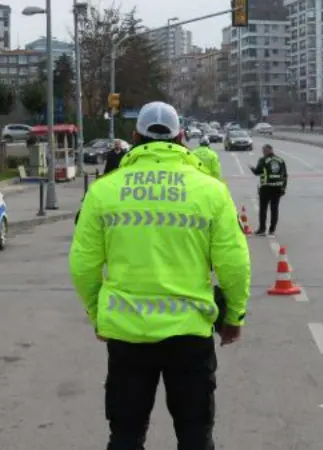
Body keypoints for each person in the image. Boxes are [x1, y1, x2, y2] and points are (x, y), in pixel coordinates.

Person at [69, 101, 251, 450]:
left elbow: (82, 264)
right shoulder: (210, 191)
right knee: (195, 436)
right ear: (181, 137)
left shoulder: (104, 190)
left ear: (134, 137)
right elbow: (235, 262)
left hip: (127, 334)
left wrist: (98, 315)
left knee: (125, 436)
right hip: (190, 335)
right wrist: (234, 316)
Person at [250, 144, 287, 237]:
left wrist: (251, 168)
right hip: (278, 188)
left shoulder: (263, 160)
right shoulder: (281, 160)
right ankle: (272, 230)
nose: (263, 152)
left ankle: (262, 229)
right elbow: (285, 175)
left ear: (267, 150)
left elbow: (257, 172)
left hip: (266, 188)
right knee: (274, 209)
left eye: (264, 151)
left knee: (263, 209)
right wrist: (283, 188)